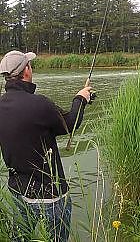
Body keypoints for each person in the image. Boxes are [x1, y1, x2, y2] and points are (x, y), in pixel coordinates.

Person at [0, 50, 92, 241]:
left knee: (21, 238)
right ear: (26, 70)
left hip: (17, 191)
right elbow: (70, 123)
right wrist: (81, 98)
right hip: (51, 195)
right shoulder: (40, 104)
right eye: (29, 64)